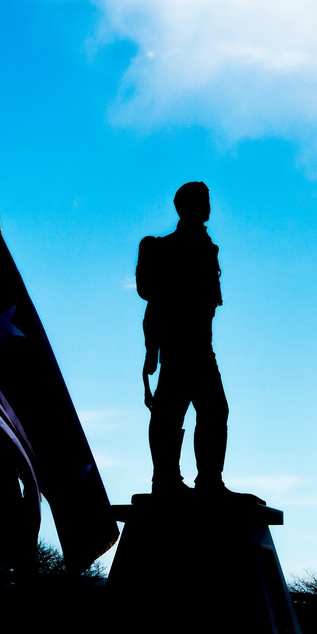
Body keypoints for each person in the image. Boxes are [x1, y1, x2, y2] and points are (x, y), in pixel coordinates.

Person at [136, 181, 234, 500]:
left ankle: (208, 481)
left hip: (201, 345)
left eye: (208, 199)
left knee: (214, 410)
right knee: (170, 412)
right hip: (178, 345)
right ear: (187, 205)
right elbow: (150, 296)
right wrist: (152, 352)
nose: (208, 205)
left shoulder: (207, 247)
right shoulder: (162, 247)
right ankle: (166, 480)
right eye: (203, 200)